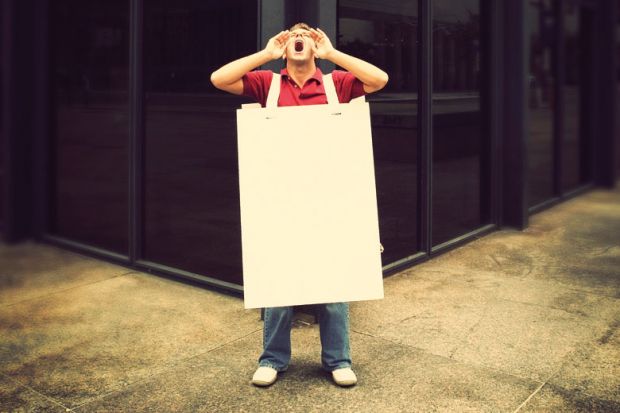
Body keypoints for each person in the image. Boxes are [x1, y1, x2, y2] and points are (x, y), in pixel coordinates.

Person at [210, 23, 388, 387]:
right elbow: (219, 78)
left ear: (315, 45)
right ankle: (272, 359)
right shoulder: (267, 83)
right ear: (285, 45)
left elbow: (380, 79)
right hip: (282, 196)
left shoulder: (336, 83)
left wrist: (333, 54)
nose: (298, 37)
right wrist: (266, 54)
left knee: (333, 279)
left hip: (329, 196)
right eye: (292, 34)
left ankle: (338, 360)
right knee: (279, 278)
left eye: (306, 34)